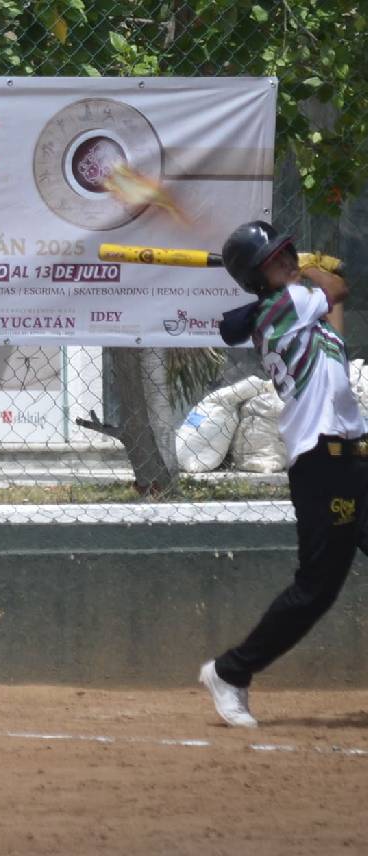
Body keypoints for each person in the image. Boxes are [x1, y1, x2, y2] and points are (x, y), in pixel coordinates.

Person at [201, 221, 360, 728]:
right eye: (275, 258)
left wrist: (308, 270)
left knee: (320, 587)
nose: (286, 258)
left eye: (287, 251)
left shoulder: (303, 317)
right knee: (316, 590)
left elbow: (337, 309)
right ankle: (230, 672)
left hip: (354, 459)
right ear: (258, 279)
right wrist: (315, 265)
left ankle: (232, 671)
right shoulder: (281, 308)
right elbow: (332, 287)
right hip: (320, 466)